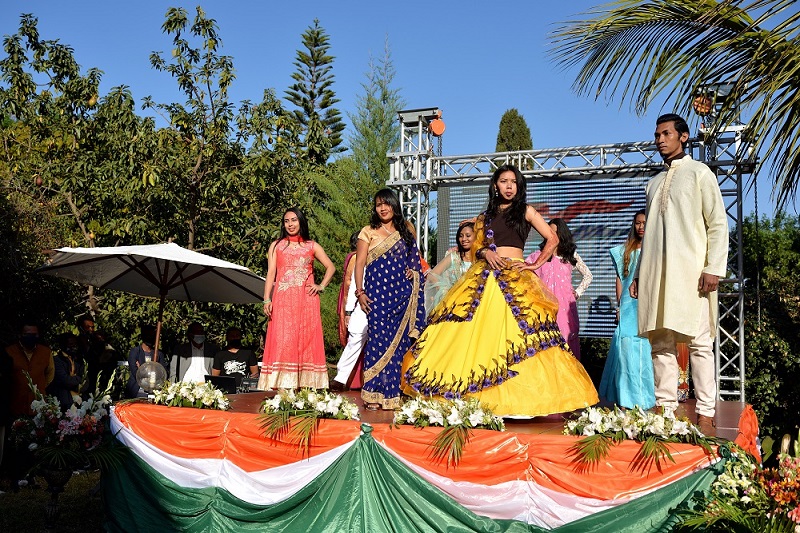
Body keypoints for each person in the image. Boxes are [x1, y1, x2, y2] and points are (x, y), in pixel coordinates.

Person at [402, 164, 598, 417]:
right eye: (504, 181)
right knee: (480, 333)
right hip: (485, 276)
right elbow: (475, 248)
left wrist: (535, 264)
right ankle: (475, 398)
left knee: (520, 333)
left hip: (515, 275)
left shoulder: (526, 211)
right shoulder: (484, 217)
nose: (509, 186)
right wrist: (486, 252)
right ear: (495, 185)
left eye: (513, 182)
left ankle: (521, 402)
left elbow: (553, 239)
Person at [630, 113, 728, 435]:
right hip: (656, 274)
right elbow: (651, 235)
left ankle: (706, 412)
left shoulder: (699, 173)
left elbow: (717, 224)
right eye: (657, 135)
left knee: (699, 343)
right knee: (660, 342)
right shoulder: (653, 183)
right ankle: (665, 408)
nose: (660, 140)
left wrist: (713, 268)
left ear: (683, 136)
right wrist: (639, 275)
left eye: (666, 134)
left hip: (692, 274)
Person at [354, 188, 426, 410]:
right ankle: (373, 394)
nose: (383, 208)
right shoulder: (368, 231)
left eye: (386, 204)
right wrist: (360, 292)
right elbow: (359, 264)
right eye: (378, 205)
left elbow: (415, 263)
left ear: (395, 205)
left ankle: (393, 394)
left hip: (402, 296)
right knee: (377, 341)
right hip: (376, 296)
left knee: (399, 346)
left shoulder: (406, 231)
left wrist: (413, 273)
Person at [258, 207, 335, 390]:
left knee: (305, 341)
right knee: (283, 340)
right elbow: (271, 273)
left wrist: (321, 286)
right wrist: (266, 299)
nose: (290, 224)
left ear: (301, 221)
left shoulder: (311, 246)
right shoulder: (277, 245)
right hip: (282, 302)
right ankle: (283, 386)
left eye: (294, 220)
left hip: (306, 302)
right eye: (286, 221)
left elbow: (331, 267)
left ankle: (304, 386)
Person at [599, 210, 655, 409]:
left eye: (645, 223)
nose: (641, 227)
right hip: (629, 305)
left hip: (648, 304)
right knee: (624, 351)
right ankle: (624, 398)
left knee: (644, 350)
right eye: (638, 223)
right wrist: (619, 306)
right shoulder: (624, 251)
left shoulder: (655, 249)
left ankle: (643, 398)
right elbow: (620, 279)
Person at [526, 218, 592, 359]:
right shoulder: (537, 256)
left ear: (562, 234)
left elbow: (588, 275)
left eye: (555, 232)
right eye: (549, 231)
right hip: (544, 306)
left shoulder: (570, 255)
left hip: (565, 307)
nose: (551, 235)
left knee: (565, 341)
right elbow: (526, 276)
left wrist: (577, 293)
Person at [331, 232, 367, 392]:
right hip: (362, 303)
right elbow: (352, 284)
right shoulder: (358, 259)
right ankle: (340, 378)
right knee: (355, 338)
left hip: (385, 303)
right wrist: (348, 311)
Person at [424, 221, 476, 315]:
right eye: (461, 236)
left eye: (468, 235)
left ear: (476, 237)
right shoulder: (454, 256)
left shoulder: (481, 260)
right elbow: (432, 275)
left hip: (475, 306)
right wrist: (446, 292)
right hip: (454, 307)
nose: (464, 239)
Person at [7, 320, 54, 418]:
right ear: (20, 335)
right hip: (15, 406)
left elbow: (50, 373)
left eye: (34, 334)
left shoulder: (46, 352)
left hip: (39, 407)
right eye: (27, 334)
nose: (31, 337)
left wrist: (39, 387)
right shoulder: (9, 352)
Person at [47, 332, 85, 411]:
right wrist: (79, 380)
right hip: (63, 401)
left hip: (80, 401)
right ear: (63, 345)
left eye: (75, 344)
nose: (74, 346)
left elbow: (85, 379)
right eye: (71, 344)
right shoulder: (56, 360)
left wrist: (77, 381)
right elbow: (65, 380)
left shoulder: (79, 360)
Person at [126, 324, 165, 398]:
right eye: (148, 335)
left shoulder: (158, 354)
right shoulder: (135, 352)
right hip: (136, 392)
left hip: (154, 392)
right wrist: (150, 371)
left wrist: (141, 369)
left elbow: (162, 373)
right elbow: (135, 373)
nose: (151, 338)